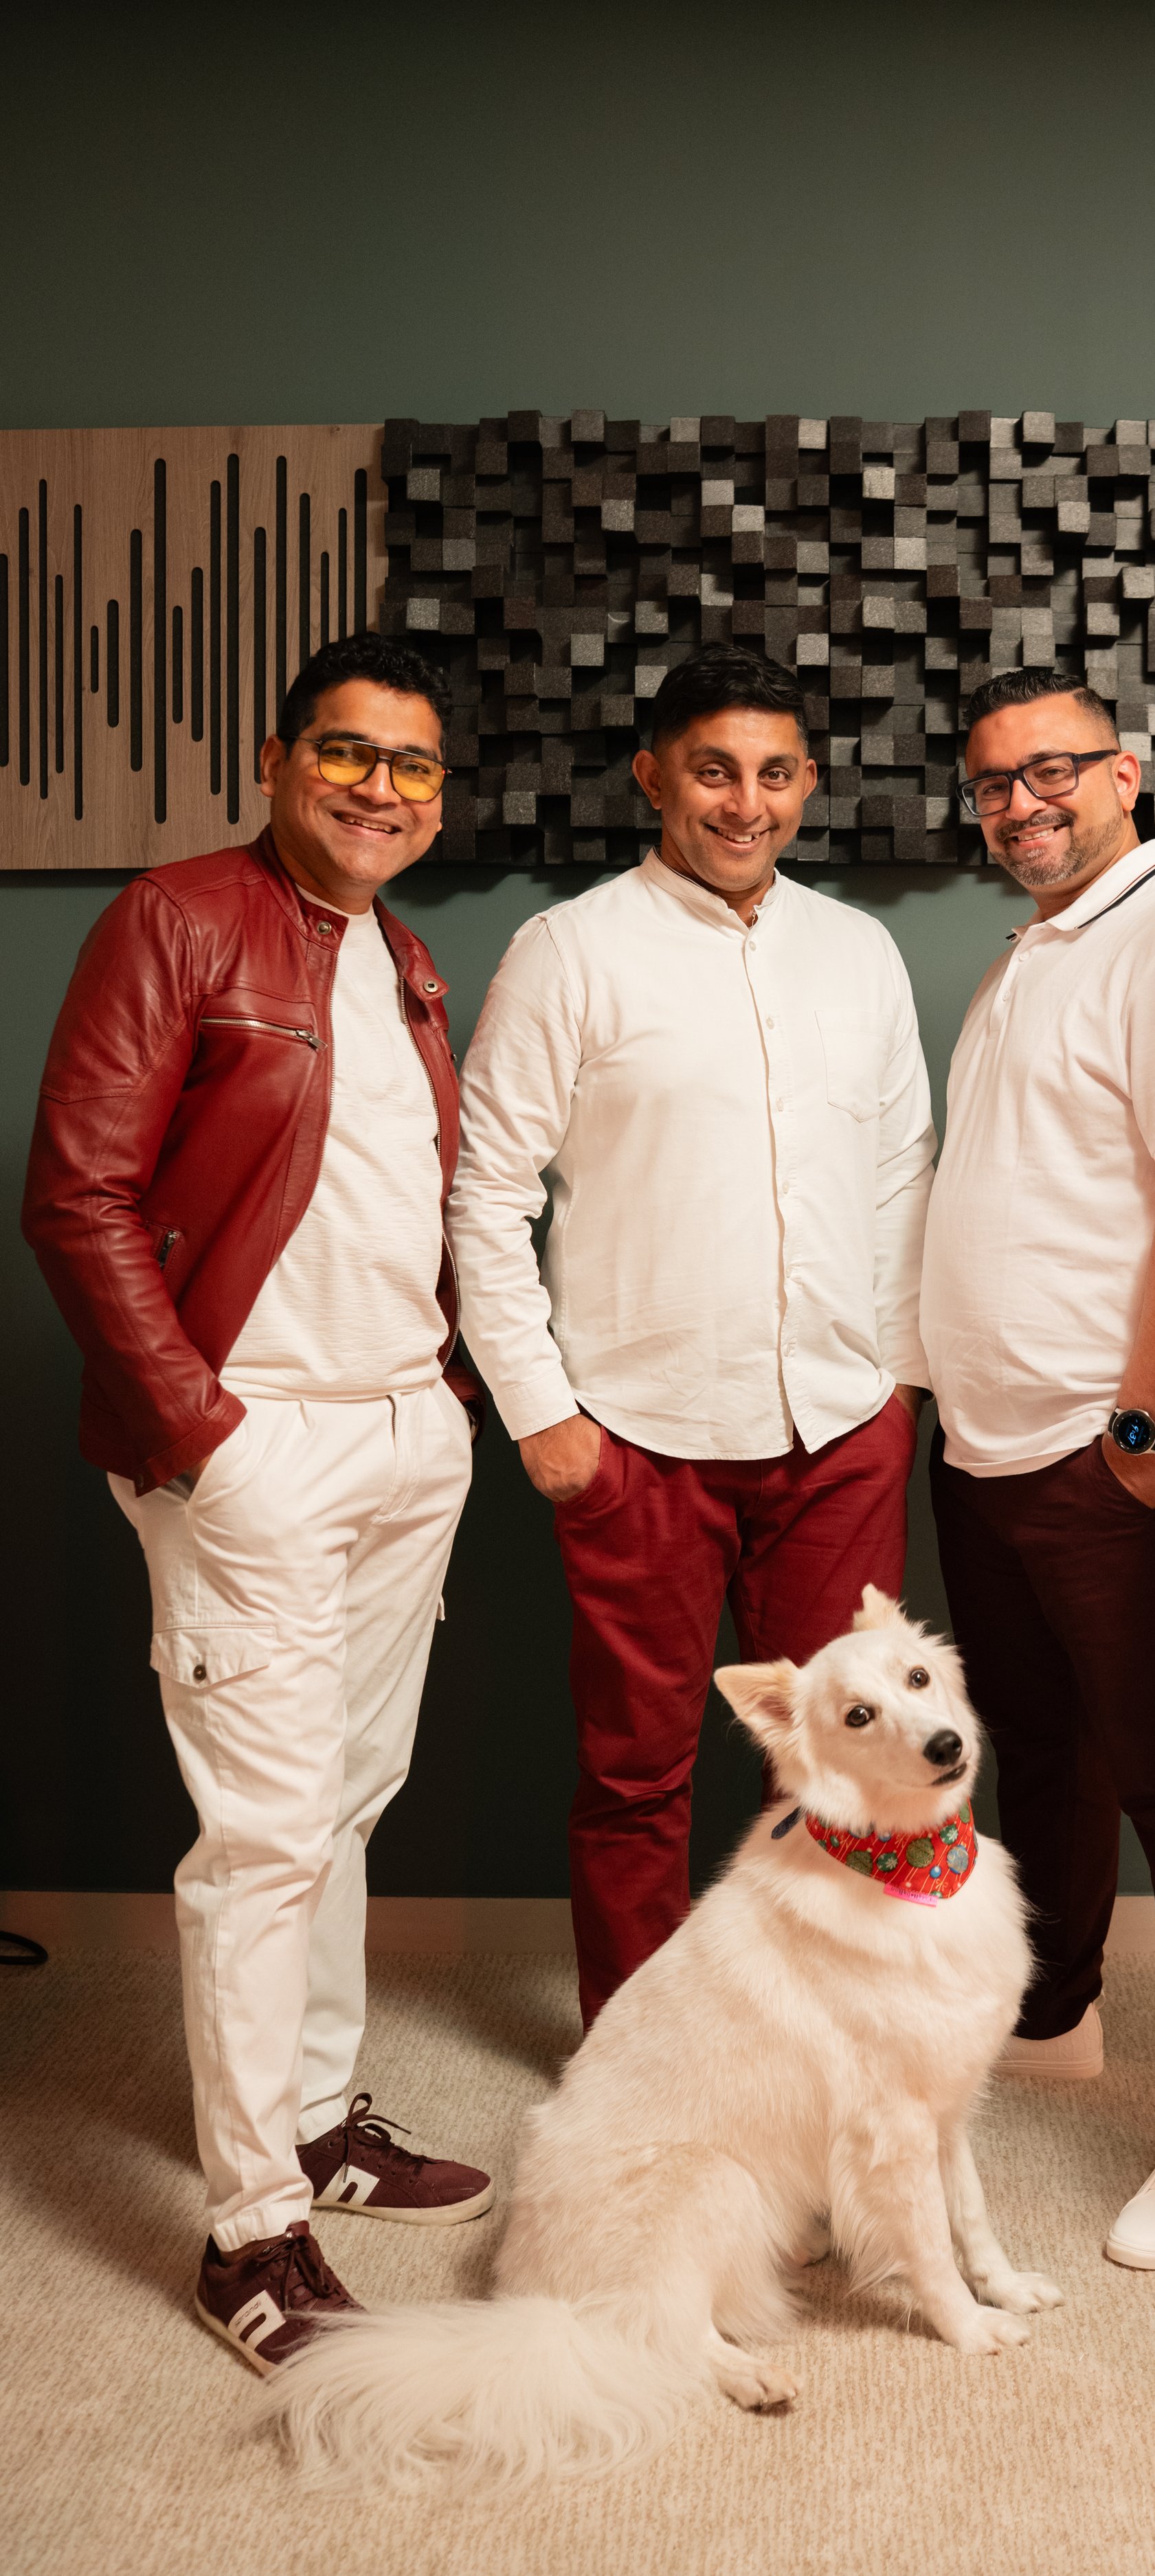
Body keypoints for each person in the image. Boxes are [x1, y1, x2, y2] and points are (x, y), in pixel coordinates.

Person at [23, 634, 491, 2377]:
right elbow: (77, 1198)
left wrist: (433, 1408)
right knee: (262, 1837)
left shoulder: (401, 954)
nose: (383, 787)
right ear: (280, 760)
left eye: (417, 767)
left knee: (345, 1804)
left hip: (399, 1435)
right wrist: (206, 1436)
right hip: (256, 1448)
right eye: (349, 754)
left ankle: (311, 2124)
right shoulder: (177, 916)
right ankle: (249, 2237)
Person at [446, 644, 936, 2031]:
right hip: (633, 1438)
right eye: (714, 770)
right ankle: (639, 2062)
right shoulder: (569, 951)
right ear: (651, 774)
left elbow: (904, 1170)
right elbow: (483, 1191)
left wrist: (897, 1381)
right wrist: (540, 1412)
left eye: (775, 773)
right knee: (634, 1773)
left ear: (810, 784)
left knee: (855, 1770)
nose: (744, 802)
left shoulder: (859, 954)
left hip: (838, 1433)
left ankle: (841, 2052)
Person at [919, 666, 1155, 2271]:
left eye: (1050, 771)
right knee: (1037, 1754)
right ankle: (1055, 2007)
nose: (1020, 804)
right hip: (986, 1440)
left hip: (1102, 1448)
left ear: (1125, 774)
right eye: (993, 782)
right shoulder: (1033, 949)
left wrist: (1142, 1424)